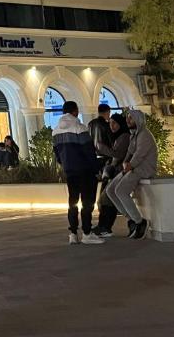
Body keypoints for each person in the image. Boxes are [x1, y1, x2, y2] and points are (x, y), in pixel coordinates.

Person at [53, 101, 104, 245]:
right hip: (85, 171)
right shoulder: (79, 128)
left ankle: (73, 234)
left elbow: (57, 154)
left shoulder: (56, 131)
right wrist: (96, 169)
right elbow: (89, 152)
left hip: (70, 171)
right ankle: (87, 233)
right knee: (87, 202)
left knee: (73, 202)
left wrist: (66, 165)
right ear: (75, 111)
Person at [106, 109, 157, 240]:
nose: (128, 120)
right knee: (110, 190)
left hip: (143, 169)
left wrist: (128, 166)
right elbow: (130, 152)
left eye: (131, 118)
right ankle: (132, 219)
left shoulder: (144, 135)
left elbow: (139, 155)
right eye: (127, 118)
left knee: (120, 191)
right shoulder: (134, 135)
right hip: (133, 168)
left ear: (138, 120)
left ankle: (140, 222)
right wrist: (125, 163)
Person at [94, 113, 130, 237]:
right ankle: (103, 226)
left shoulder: (124, 137)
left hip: (119, 172)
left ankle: (105, 227)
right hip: (113, 172)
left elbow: (118, 155)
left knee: (106, 199)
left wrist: (102, 148)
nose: (112, 126)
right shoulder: (117, 137)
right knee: (104, 199)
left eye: (114, 123)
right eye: (110, 123)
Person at [88, 103, 114, 168]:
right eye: (109, 113)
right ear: (107, 112)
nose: (109, 115)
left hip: (95, 155)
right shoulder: (107, 125)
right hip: (106, 156)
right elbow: (111, 140)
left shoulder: (90, 124)